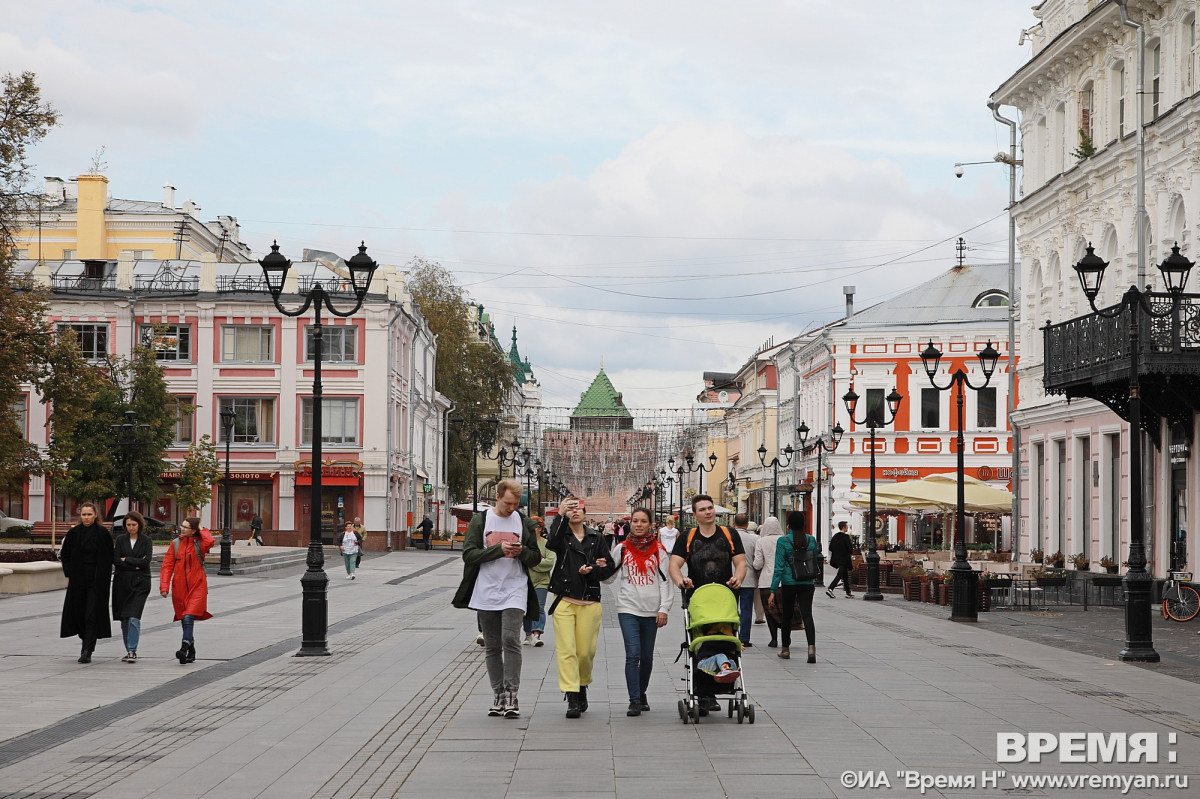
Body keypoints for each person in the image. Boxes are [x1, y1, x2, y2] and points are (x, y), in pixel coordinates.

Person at [452, 479, 542, 719]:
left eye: (515, 504)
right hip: (487, 590)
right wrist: (498, 550)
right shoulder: (480, 521)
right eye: (508, 503)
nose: (512, 508)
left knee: (510, 639)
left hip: (515, 588)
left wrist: (522, 551)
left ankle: (512, 695)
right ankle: (498, 695)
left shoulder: (522, 522)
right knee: (493, 646)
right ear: (498, 496)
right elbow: (468, 555)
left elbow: (536, 558)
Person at [546, 496, 615, 719]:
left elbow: (609, 568)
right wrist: (559, 513)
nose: (575, 512)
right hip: (564, 599)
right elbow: (551, 543)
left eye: (579, 508)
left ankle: (582, 684)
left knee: (585, 652)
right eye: (571, 509)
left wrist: (593, 568)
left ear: (585, 513)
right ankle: (572, 696)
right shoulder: (562, 536)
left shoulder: (597, 537)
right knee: (567, 651)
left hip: (590, 601)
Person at [603, 506, 672, 716]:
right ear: (630, 523)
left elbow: (665, 582)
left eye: (643, 521)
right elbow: (609, 578)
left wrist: (664, 609)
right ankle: (634, 699)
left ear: (650, 524)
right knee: (633, 654)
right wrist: (599, 567)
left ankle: (641, 692)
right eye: (635, 521)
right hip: (628, 607)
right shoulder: (622, 548)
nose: (639, 525)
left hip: (652, 610)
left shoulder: (659, 550)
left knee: (647, 657)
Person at [59, 502, 114, 664]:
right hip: (78, 581)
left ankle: (87, 649)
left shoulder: (103, 534)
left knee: (92, 614)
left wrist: (103, 577)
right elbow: (66, 555)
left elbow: (108, 557)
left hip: (96, 582)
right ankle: (85, 640)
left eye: (89, 514)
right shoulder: (74, 534)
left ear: (95, 515)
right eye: (84, 514)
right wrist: (69, 572)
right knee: (79, 612)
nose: (86, 517)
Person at [159, 517, 214, 665]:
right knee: (185, 619)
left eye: (186, 527)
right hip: (180, 588)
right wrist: (164, 587)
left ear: (194, 530)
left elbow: (210, 542)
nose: (182, 529)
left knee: (189, 616)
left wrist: (202, 528)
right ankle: (192, 649)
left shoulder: (199, 544)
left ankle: (184, 648)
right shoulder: (176, 544)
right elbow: (167, 566)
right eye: (182, 526)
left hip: (198, 586)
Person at [668, 495, 746, 591]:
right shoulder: (686, 536)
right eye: (702, 509)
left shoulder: (730, 534)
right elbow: (674, 564)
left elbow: (741, 563)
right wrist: (681, 581)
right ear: (695, 515)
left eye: (710, 508)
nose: (708, 512)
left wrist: (737, 578)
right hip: (696, 596)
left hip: (726, 596)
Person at [769, 510, 818, 663]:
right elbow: (814, 560)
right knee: (807, 615)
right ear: (803, 524)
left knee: (787, 616)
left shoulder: (783, 541)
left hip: (789, 583)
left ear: (788, 525)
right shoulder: (811, 540)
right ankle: (811, 648)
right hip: (807, 583)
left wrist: (772, 590)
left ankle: (785, 649)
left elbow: (778, 567)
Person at [112, 510, 153, 663]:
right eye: (128, 525)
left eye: (134, 524)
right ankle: (128, 649)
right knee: (124, 618)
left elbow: (145, 562)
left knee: (134, 617)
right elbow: (116, 561)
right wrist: (134, 563)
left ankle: (132, 649)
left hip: (141, 583)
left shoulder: (146, 541)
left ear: (139, 525)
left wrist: (126, 559)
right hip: (122, 583)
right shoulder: (121, 540)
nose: (131, 527)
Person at [752, 517, 784, 647]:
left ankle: (774, 638)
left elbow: (758, 564)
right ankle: (785, 636)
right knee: (783, 610)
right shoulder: (784, 540)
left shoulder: (761, 541)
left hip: (766, 581)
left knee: (769, 611)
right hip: (783, 581)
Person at [523, 516, 554, 647]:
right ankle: (528, 633)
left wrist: (533, 564)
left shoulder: (547, 544)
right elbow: (521, 559)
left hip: (542, 581)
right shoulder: (524, 543)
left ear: (540, 529)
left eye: (534, 527)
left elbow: (550, 562)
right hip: (526, 581)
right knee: (526, 608)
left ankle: (537, 634)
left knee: (539, 607)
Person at [731, 513, 758, 647]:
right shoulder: (753, 539)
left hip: (731, 578)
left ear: (734, 524)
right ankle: (744, 638)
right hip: (748, 578)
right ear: (747, 525)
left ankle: (731, 635)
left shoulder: (728, 537)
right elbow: (757, 560)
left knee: (730, 608)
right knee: (746, 609)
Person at [827, 521, 854, 598]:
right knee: (839, 575)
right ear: (843, 527)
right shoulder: (846, 537)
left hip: (837, 559)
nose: (847, 528)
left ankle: (848, 592)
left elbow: (830, 548)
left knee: (845, 576)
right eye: (847, 526)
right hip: (844, 559)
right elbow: (850, 549)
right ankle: (830, 588)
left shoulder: (835, 536)